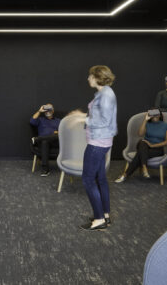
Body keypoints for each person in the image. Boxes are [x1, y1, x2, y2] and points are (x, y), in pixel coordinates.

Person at [67, 65, 118, 231]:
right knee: (100, 178)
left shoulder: (106, 95)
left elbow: (104, 121)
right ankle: (105, 215)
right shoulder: (103, 93)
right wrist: (82, 115)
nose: (88, 78)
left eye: (90, 76)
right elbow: (101, 116)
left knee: (88, 179)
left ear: (97, 77)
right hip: (101, 141)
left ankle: (98, 219)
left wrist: (83, 120)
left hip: (97, 143)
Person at [114, 109, 167, 183]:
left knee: (139, 154)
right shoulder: (148, 124)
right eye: (152, 113)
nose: (154, 115)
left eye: (156, 113)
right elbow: (140, 134)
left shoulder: (166, 126)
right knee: (142, 142)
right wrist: (145, 120)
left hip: (157, 149)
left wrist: (152, 145)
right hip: (144, 146)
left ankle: (125, 174)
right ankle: (144, 167)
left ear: (160, 115)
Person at [30, 104, 61, 177]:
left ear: (53, 111)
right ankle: (45, 169)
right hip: (43, 143)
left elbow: (65, 131)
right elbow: (32, 121)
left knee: (56, 136)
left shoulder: (58, 121)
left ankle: (37, 139)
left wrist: (58, 132)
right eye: (46, 109)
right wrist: (39, 111)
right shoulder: (40, 120)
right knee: (45, 142)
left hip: (55, 141)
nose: (48, 111)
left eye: (49, 109)